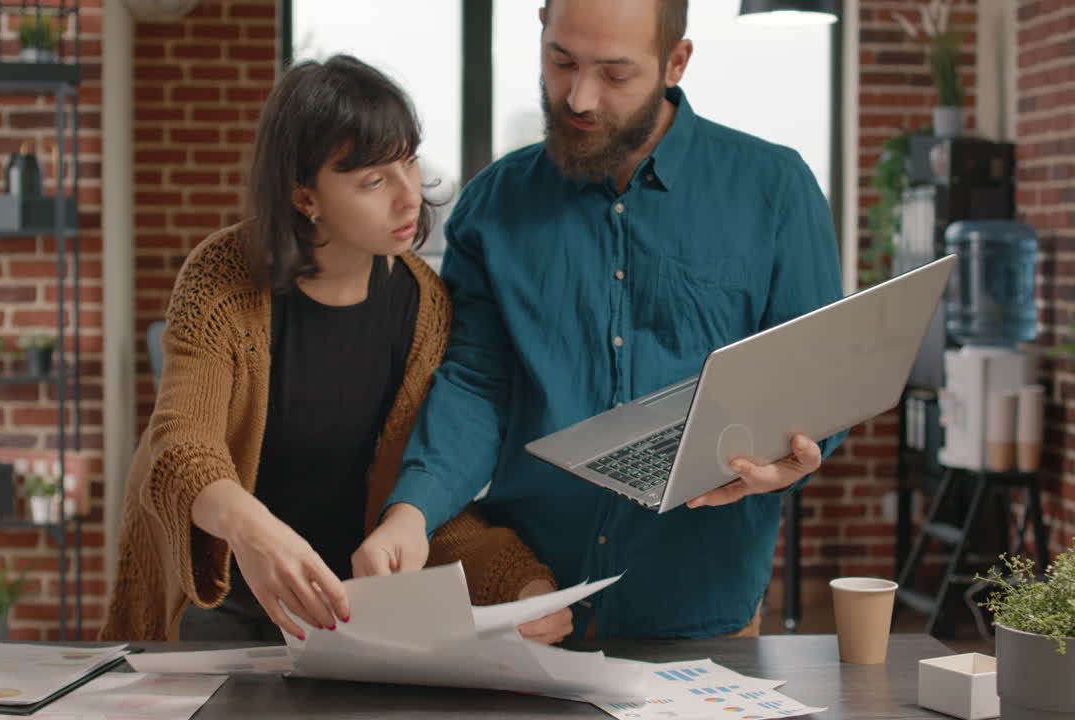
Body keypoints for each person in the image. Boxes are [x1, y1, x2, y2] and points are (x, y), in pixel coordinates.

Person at [354, 0, 847, 640]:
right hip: (531, 601)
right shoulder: (493, 206)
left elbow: (817, 381)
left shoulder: (776, 189)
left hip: (700, 604)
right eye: (561, 62)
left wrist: (792, 456)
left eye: (614, 74)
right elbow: (476, 384)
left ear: (676, 62)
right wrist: (412, 512)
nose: (579, 98)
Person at [99, 55, 570, 644]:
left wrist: (519, 583)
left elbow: (415, 508)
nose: (409, 197)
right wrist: (252, 529)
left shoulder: (424, 307)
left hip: (342, 614)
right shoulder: (221, 278)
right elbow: (178, 448)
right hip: (217, 597)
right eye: (373, 181)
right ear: (305, 197)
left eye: (408, 161)